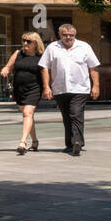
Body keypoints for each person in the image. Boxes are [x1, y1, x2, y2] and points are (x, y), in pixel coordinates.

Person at [38, 24, 100, 156]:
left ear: (75, 35)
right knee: (66, 116)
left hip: (80, 88)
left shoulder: (84, 47)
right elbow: (44, 68)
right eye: (65, 35)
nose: (68, 37)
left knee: (75, 112)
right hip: (60, 88)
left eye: (71, 35)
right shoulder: (52, 48)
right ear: (59, 35)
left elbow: (93, 67)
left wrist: (96, 86)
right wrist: (46, 86)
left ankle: (76, 141)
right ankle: (69, 144)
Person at [1, 31, 45, 153]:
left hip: (34, 88)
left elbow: (46, 72)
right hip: (19, 89)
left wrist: (47, 87)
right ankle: (35, 141)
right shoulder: (18, 53)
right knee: (28, 116)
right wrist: (5, 70)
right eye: (23, 40)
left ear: (35, 43)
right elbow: (8, 67)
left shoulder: (41, 56)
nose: (25, 43)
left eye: (28, 41)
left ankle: (22, 142)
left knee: (27, 113)